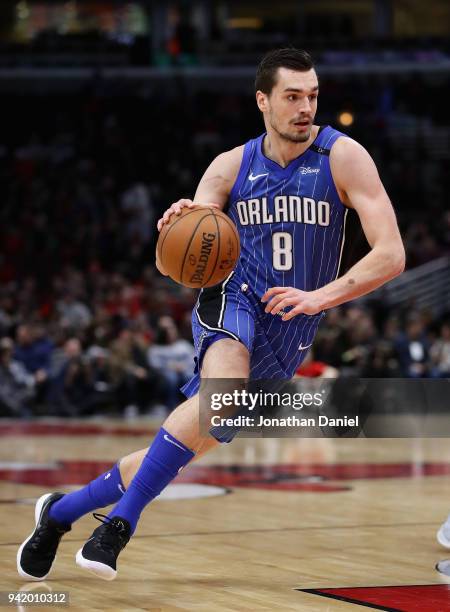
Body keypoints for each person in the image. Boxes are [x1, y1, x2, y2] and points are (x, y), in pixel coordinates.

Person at [17, 48, 405, 582]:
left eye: (312, 96)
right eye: (293, 96)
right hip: (234, 297)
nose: (305, 108)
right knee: (221, 394)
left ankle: (59, 512)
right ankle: (117, 528)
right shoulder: (230, 165)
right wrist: (185, 218)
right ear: (263, 100)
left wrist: (322, 297)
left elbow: (391, 253)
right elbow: (199, 237)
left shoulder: (344, 157)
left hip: (293, 320)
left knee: (198, 432)